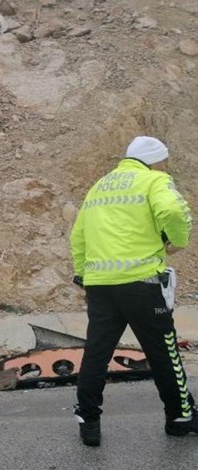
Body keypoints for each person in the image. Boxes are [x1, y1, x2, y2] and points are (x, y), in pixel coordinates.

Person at [70, 136, 197, 446]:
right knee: (163, 350)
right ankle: (180, 417)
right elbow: (174, 211)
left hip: (101, 286)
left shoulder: (99, 186)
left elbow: (79, 235)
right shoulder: (154, 180)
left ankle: (88, 421)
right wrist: (177, 241)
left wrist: (84, 274)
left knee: (97, 353)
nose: (165, 166)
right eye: (163, 160)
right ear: (154, 159)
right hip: (141, 283)